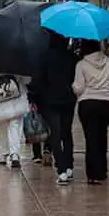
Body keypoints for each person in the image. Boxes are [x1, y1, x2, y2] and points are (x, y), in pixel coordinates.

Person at [73, 40, 109, 185]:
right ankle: (102, 171)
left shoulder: (81, 64)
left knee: (91, 138)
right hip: (105, 103)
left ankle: (92, 173)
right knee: (102, 136)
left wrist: (73, 87)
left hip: (87, 103)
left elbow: (79, 88)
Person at [31, 32, 77, 184]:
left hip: (49, 101)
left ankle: (61, 170)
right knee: (67, 132)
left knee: (55, 134)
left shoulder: (42, 58)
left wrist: (35, 98)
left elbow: (37, 81)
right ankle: (69, 166)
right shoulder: (71, 57)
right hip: (68, 99)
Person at [0, 65, 31, 169]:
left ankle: (3, 154)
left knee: (2, 127)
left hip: (1, 100)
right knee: (15, 127)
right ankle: (15, 154)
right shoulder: (19, 63)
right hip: (17, 100)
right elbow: (27, 80)